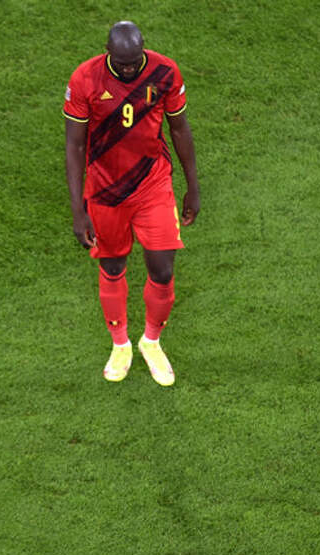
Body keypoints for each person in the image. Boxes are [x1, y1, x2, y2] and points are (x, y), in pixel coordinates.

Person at [63, 21, 200, 386]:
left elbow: (180, 128)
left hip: (153, 185)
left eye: (134, 61)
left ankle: (151, 342)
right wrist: (78, 210)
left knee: (163, 270)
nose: (128, 69)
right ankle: (120, 344)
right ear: (107, 51)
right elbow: (74, 145)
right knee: (112, 266)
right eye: (121, 63)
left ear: (143, 50)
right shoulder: (85, 79)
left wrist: (193, 187)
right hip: (105, 192)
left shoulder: (164, 72)